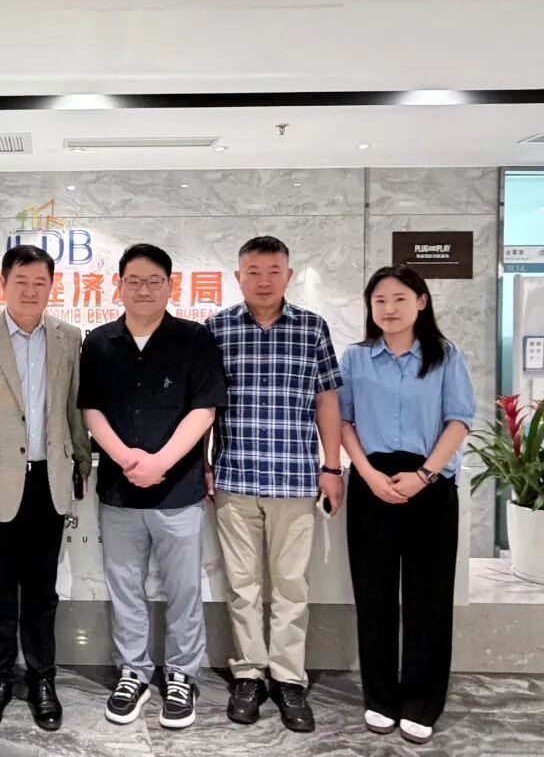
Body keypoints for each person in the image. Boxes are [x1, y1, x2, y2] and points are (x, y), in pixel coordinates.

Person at [79, 243, 227, 730]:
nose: (143, 290)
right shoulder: (99, 342)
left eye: (154, 281)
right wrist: (126, 459)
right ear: (118, 286)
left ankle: (181, 674)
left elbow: (204, 410)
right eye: (134, 281)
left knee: (184, 589)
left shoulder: (195, 339)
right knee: (124, 587)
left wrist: (160, 462)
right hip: (119, 492)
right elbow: (90, 409)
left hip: (178, 491)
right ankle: (134, 673)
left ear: (170, 286)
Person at [0, 244, 92, 733]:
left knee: (41, 591)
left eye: (40, 283)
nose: (30, 291)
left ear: (51, 287)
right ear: (3, 284)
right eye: (21, 282)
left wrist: (81, 462)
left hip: (49, 481)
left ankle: (41, 678)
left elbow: (74, 408)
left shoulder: (68, 337)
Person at [207, 235, 343, 734]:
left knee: (290, 587)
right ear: (238, 276)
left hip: (295, 479)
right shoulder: (217, 328)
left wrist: (333, 467)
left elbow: (327, 400)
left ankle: (288, 679)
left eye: (273, 271)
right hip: (235, 478)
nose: (263, 281)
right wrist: (204, 465)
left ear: (288, 275)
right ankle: (248, 674)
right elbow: (204, 406)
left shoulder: (312, 328)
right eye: (253, 271)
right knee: (242, 587)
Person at [339, 265, 475, 746]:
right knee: (373, 595)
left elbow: (459, 420)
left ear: (421, 301)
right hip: (371, 483)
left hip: (430, 485)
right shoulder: (355, 358)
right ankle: (380, 697)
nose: (389, 309)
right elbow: (344, 421)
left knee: (428, 598)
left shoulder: (446, 356)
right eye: (379, 300)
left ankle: (421, 702)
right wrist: (368, 474)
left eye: (399, 298)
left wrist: (423, 476)